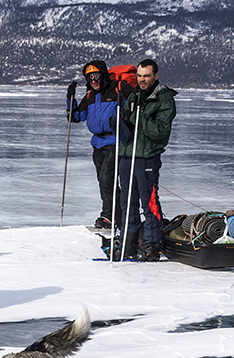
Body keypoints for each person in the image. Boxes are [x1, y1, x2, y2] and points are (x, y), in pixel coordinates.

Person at [115, 59, 177, 262]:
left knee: (149, 203)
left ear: (156, 76)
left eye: (147, 76)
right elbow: (128, 127)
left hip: (147, 158)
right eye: (140, 76)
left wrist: (137, 117)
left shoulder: (164, 98)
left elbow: (160, 131)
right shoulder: (133, 95)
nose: (142, 80)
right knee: (127, 204)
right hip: (127, 155)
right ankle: (128, 243)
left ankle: (152, 244)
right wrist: (121, 120)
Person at [69, 61, 124, 230]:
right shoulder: (90, 96)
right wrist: (69, 99)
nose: (93, 80)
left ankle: (111, 216)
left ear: (103, 75)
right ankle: (114, 214)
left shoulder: (117, 90)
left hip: (115, 141)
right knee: (103, 181)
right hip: (97, 143)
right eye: (89, 77)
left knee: (107, 179)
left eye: (96, 76)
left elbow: (133, 105)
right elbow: (75, 117)